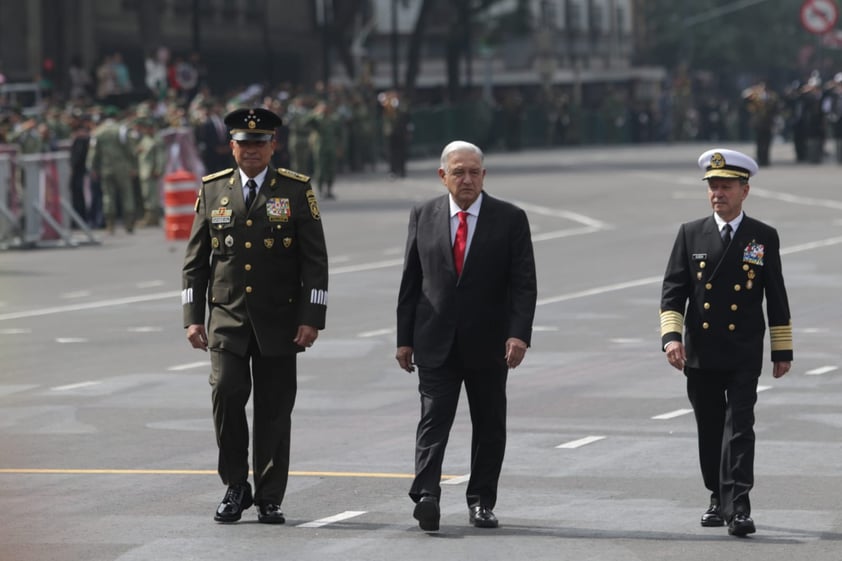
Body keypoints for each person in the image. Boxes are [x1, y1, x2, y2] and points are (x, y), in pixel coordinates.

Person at [181, 107, 329, 524]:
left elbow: (315, 261)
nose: (251, 151)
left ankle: (268, 495)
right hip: (227, 318)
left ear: (273, 146)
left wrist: (311, 317)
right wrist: (192, 316)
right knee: (226, 394)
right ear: (231, 147)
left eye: (259, 143)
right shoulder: (213, 191)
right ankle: (234, 484)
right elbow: (194, 262)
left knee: (274, 408)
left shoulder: (296, 191)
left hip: (280, 320)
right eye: (244, 144)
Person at [396, 140, 537, 532]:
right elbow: (411, 280)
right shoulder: (424, 214)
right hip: (434, 340)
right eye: (459, 172)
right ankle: (426, 495)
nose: (467, 179)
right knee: (432, 421)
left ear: (484, 176)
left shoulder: (509, 218)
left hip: (490, 344)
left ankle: (481, 501)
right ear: (443, 176)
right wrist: (403, 339)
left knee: (489, 425)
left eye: (474, 172)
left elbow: (524, 284)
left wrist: (518, 335)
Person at [659, 148, 793, 537]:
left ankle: (739, 507)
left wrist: (781, 350)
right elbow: (673, 291)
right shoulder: (690, 233)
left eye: (727, 187)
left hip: (743, 350)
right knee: (710, 427)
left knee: (740, 427)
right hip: (700, 350)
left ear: (744, 191)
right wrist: (671, 339)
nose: (718, 193)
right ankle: (717, 497)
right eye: (713, 187)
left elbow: (776, 294)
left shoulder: (762, 236)